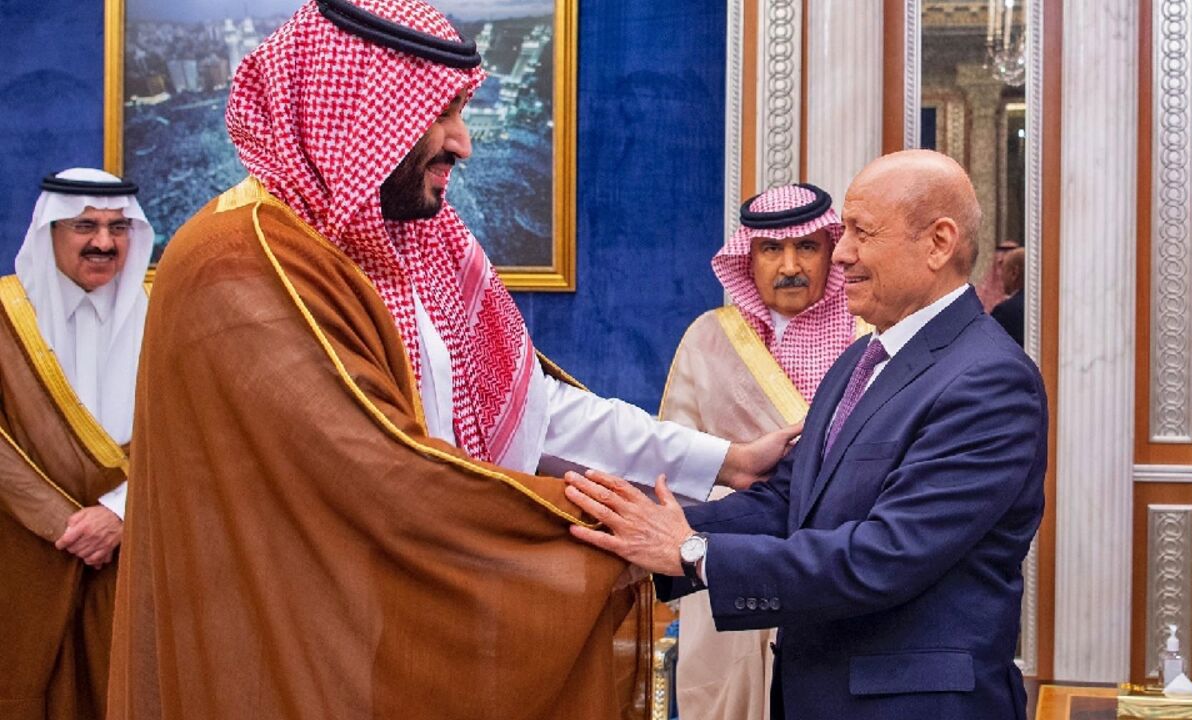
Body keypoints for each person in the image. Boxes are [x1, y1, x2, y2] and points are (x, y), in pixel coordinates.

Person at [106, 2, 791, 719]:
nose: (463, 143)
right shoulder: (236, 264)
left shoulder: (416, 240)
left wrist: (726, 463)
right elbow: (383, 477)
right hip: (291, 644)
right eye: (442, 113)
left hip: (395, 629)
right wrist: (620, 532)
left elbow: (529, 410)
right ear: (359, 113)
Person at [564, 149, 1048, 719]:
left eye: (861, 234)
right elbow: (788, 500)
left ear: (938, 244)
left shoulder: (989, 380)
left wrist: (693, 553)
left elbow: (884, 556)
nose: (839, 255)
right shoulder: (863, 360)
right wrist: (635, 532)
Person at [660, 182, 864, 720]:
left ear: (831, 250)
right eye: (771, 250)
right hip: (726, 568)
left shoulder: (867, 339)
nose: (789, 265)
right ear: (747, 258)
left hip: (831, 569)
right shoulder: (708, 339)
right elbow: (674, 462)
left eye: (807, 248)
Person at [0, 168, 152, 719]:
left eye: (119, 227)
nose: (105, 242)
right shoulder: (5, 315)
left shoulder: (164, 315)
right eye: (85, 225)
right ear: (49, 232)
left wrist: (118, 512)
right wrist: (66, 525)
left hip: (137, 547)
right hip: (24, 553)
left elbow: (195, 428)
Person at [991, 246, 1025, 346]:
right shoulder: (1047, 306)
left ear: (1014, 273)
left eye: (1004, 270)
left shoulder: (1006, 311)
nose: (1001, 277)